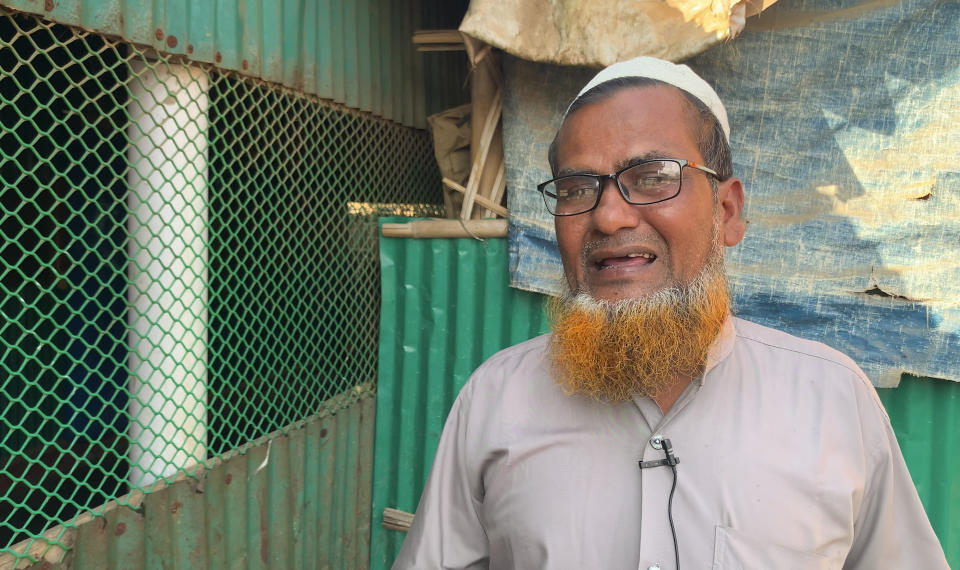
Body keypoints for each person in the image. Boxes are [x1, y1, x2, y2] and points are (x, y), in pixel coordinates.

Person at [393, 56, 949, 569]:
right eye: (576, 188)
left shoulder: (833, 401)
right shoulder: (496, 399)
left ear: (727, 212)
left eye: (653, 176)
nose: (609, 217)